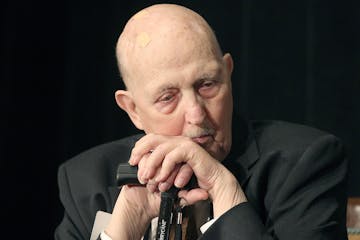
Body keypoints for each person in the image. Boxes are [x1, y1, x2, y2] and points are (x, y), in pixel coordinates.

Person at [55, 3, 348, 240]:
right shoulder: (86, 180)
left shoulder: (306, 163)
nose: (196, 114)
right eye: (168, 97)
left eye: (207, 84)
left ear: (228, 73)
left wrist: (224, 189)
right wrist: (123, 228)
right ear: (133, 110)